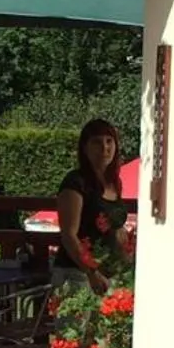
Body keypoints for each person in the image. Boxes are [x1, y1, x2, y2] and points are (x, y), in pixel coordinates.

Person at [53, 119, 131, 295]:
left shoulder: (114, 182)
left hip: (109, 277)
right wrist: (91, 272)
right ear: (85, 148)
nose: (105, 148)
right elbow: (69, 235)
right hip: (77, 275)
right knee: (74, 324)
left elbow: (116, 227)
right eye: (97, 142)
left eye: (109, 141)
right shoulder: (75, 182)